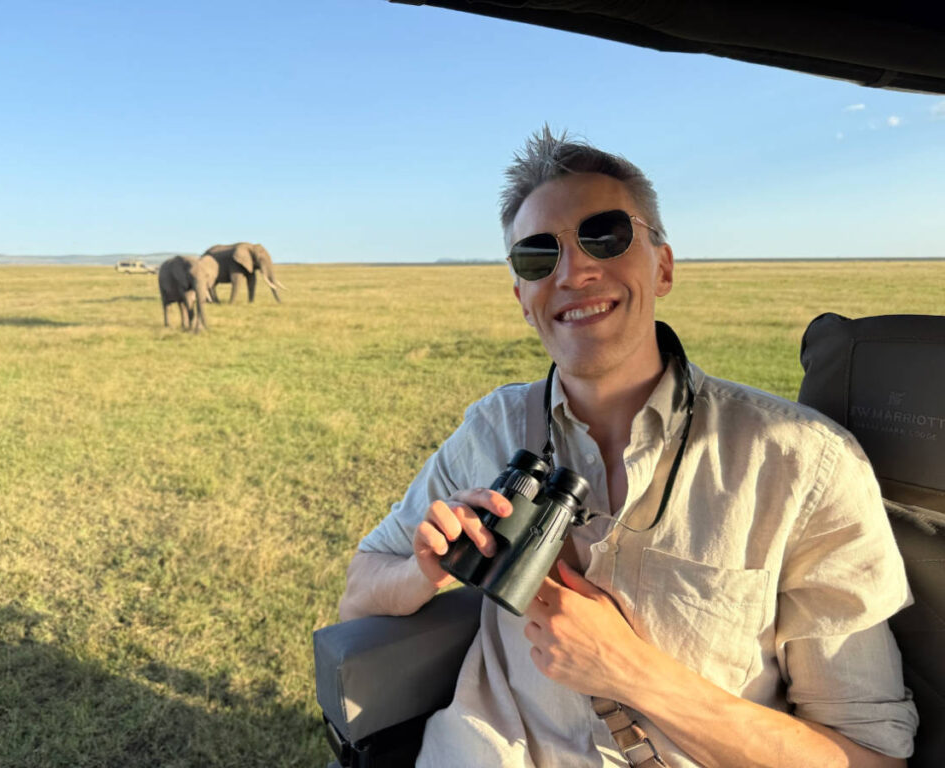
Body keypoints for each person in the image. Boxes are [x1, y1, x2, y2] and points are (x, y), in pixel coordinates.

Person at [338, 127, 917, 767]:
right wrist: (425, 570)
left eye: (606, 236)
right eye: (537, 255)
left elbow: (871, 756)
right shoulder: (492, 428)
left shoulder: (802, 463)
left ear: (662, 267)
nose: (574, 271)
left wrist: (632, 673)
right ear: (523, 300)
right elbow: (361, 588)